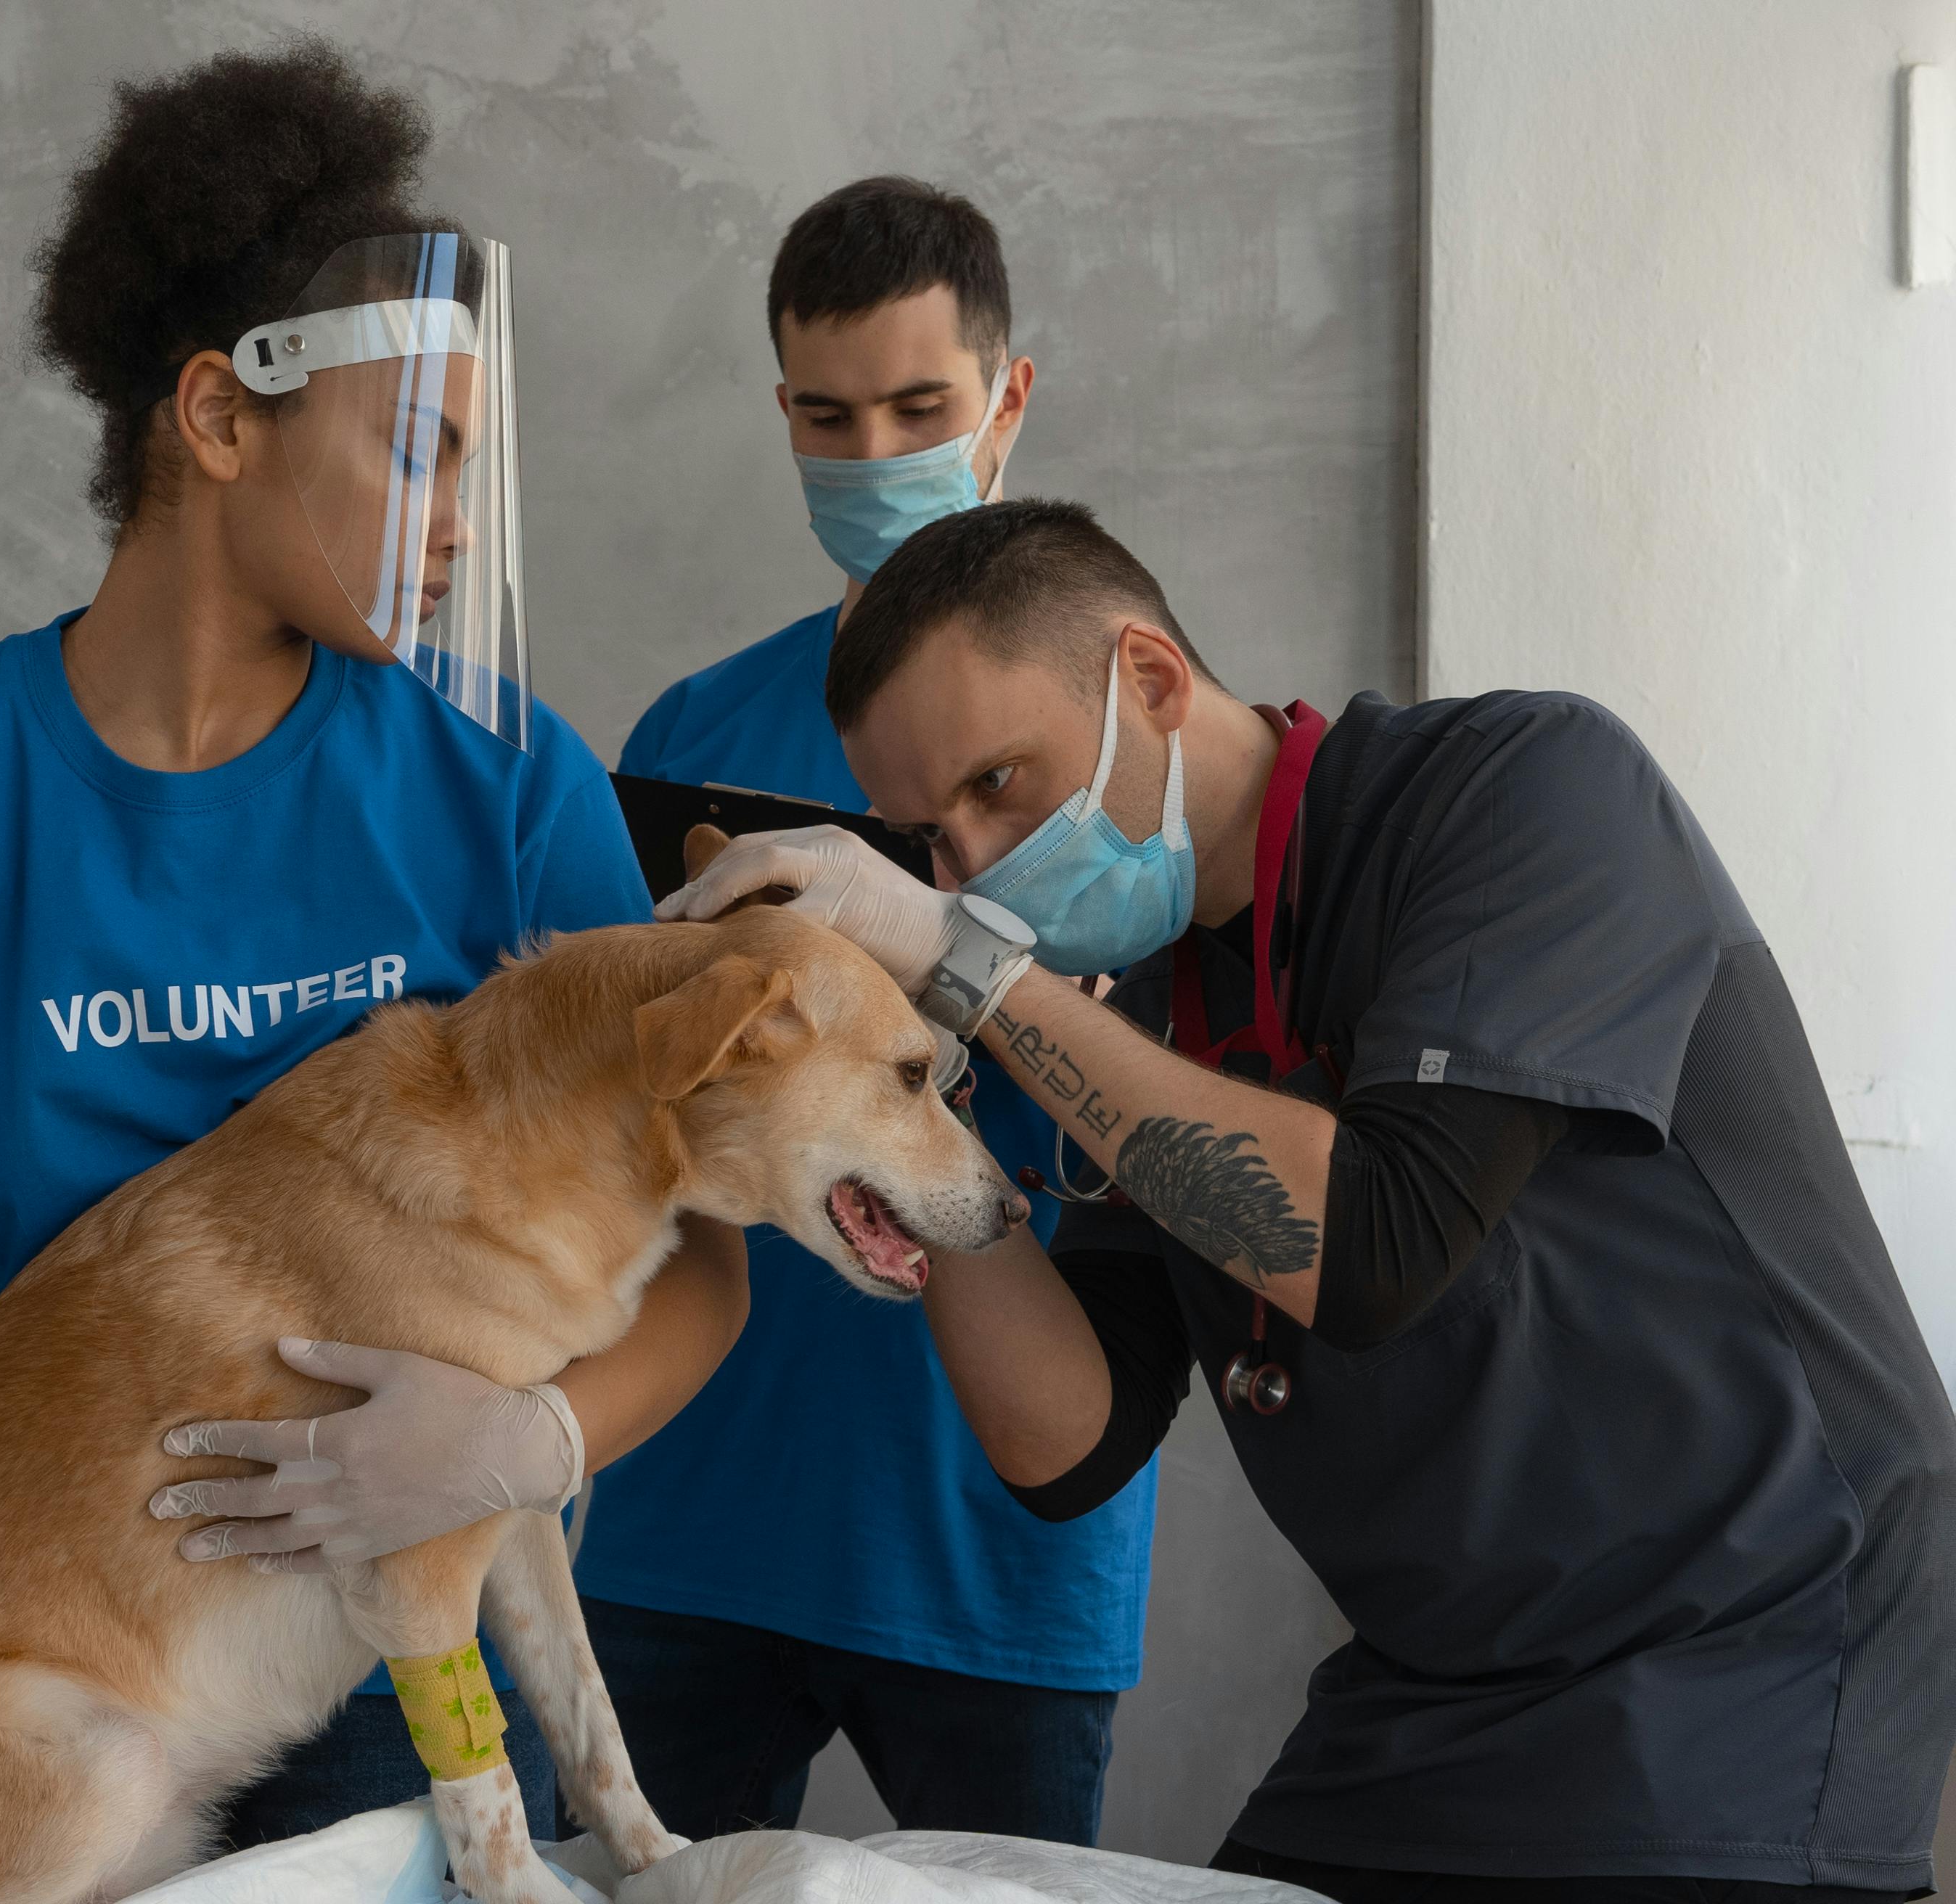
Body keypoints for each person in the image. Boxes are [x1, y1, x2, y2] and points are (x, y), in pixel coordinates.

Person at [0, 46, 746, 1904]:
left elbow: (698, 1256)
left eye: (476, 462)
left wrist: (537, 1434)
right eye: (419, 450)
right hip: (61, 1648)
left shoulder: (508, 787)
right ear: (219, 418)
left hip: (408, 1675)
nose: (458, 519)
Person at [665, 498, 1956, 1901]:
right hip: (1437, 1695)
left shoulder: (1527, 788)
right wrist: (903, 1090)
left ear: (1149, 680)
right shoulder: (1150, 1010)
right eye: (934, 845)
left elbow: (1372, 1245)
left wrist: (966, 968)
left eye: (999, 785)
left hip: (1742, 1656)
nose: (973, 870)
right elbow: (1067, 1442)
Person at [577, 178, 1151, 1846]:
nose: (873, 450)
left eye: (920, 407)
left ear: (1009, 402)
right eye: (829, 417)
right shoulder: (697, 723)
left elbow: (1181, 1119)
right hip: (696, 1508)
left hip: (991, 1536)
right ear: (781, 417)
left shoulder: (1128, 751)